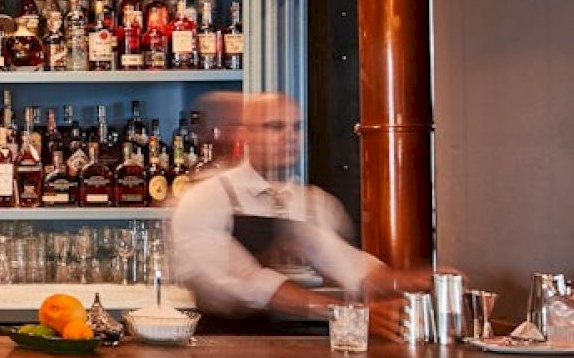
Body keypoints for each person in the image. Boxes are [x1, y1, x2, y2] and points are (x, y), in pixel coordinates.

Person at [169, 91, 430, 333]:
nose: (290, 136)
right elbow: (247, 281)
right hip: (229, 350)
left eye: (297, 126)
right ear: (246, 135)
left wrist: (405, 281)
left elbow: (340, 260)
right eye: (275, 127)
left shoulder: (307, 200)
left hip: (299, 344)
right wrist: (350, 313)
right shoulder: (206, 199)